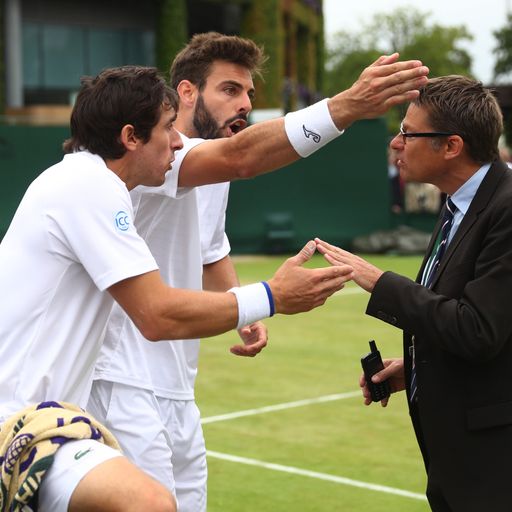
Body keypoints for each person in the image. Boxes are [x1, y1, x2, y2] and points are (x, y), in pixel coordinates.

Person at [0, 52, 428, 510]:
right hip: (35, 418)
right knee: (150, 503)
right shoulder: (91, 183)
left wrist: (248, 300)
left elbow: (210, 248)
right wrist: (270, 296)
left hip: (74, 412)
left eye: (249, 92)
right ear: (133, 135)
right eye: (168, 130)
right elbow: (157, 314)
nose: (178, 143)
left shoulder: (104, 179)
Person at [88, 33, 269, 511]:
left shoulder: (216, 166)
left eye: (249, 93)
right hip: (120, 377)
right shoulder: (153, 155)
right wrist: (347, 108)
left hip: (176, 382)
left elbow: (211, 249)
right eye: (230, 89)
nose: (245, 103)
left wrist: (240, 309)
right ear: (187, 92)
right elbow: (244, 156)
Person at [315, 75, 512, 512]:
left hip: (493, 466)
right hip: (453, 460)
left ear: (452, 146)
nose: (396, 144)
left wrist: (378, 281)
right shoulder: (458, 203)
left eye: (407, 133)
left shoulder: (506, 206)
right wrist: (417, 367)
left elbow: (478, 330)